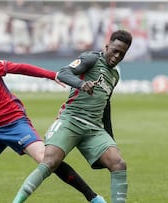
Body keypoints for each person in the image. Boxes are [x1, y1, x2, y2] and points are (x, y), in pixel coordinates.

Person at [0, 45, 106, 203]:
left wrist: (52, 75)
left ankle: (92, 197)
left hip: (14, 121)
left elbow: (19, 68)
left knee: (47, 159)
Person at [13, 29, 132, 203]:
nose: (117, 56)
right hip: (71, 120)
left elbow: (106, 105)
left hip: (93, 129)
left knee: (118, 163)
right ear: (106, 46)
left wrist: (110, 139)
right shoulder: (91, 58)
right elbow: (63, 73)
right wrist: (81, 84)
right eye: (115, 51)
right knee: (50, 162)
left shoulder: (114, 75)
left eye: (122, 54)